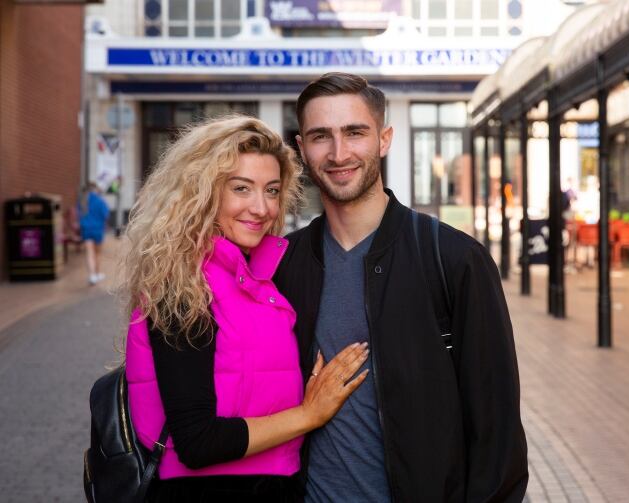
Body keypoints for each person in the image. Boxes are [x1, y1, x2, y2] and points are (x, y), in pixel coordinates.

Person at [274, 73, 528, 502]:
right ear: (301, 149)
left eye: (355, 132)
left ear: (384, 139)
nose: (339, 153)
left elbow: (496, 432)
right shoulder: (282, 264)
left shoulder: (453, 259)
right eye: (321, 136)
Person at [120, 115, 369, 502]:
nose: (261, 207)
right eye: (241, 188)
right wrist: (310, 413)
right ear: (201, 193)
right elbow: (197, 441)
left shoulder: (254, 278)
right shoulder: (183, 286)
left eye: (272, 191)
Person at [78, 182, 110, 285]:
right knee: (97, 254)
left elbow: (79, 216)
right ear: (95, 189)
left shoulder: (82, 201)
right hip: (98, 230)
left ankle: (92, 275)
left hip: (86, 230)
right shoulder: (100, 200)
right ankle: (97, 273)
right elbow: (106, 215)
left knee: (89, 253)